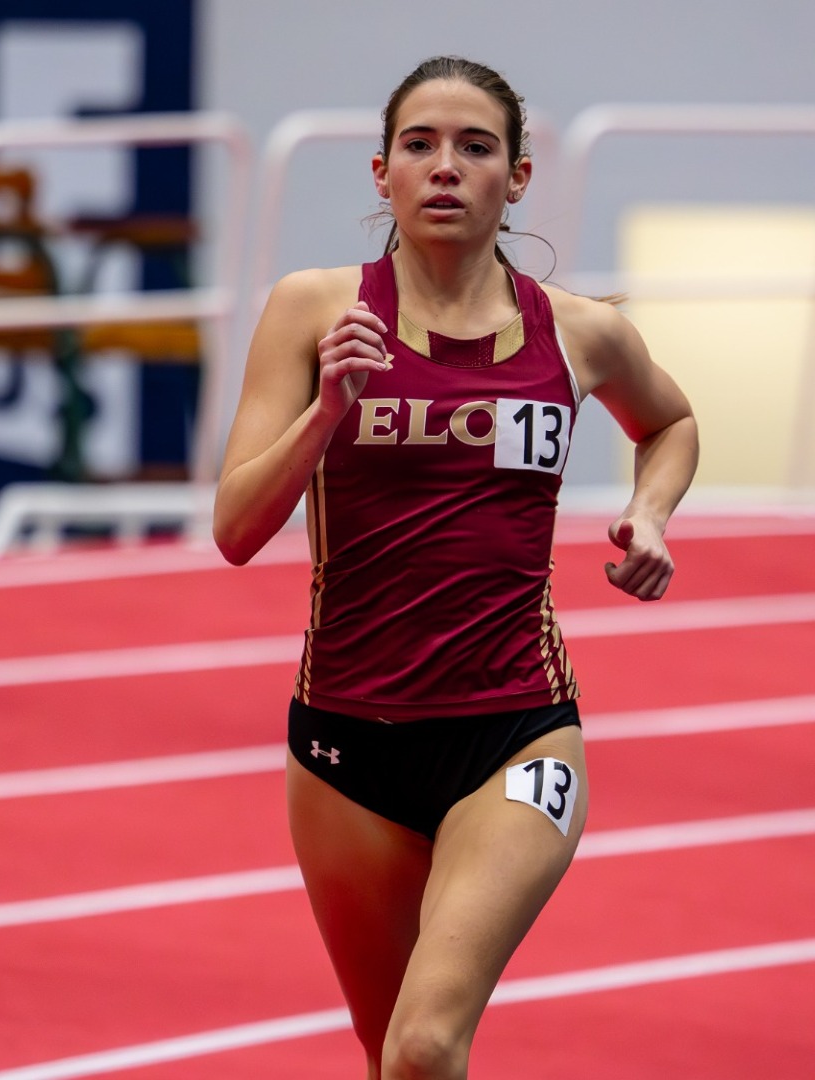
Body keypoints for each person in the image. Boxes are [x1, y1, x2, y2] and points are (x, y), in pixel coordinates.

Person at [214, 55, 698, 1080]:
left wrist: (650, 514)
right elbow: (236, 526)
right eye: (422, 146)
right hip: (345, 742)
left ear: (516, 179)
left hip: (517, 732)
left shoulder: (580, 332)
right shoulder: (313, 312)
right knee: (385, 1052)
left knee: (428, 1043)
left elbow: (672, 421)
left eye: (475, 147)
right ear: (381, 171)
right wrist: (328, 412)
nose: (447, 167)